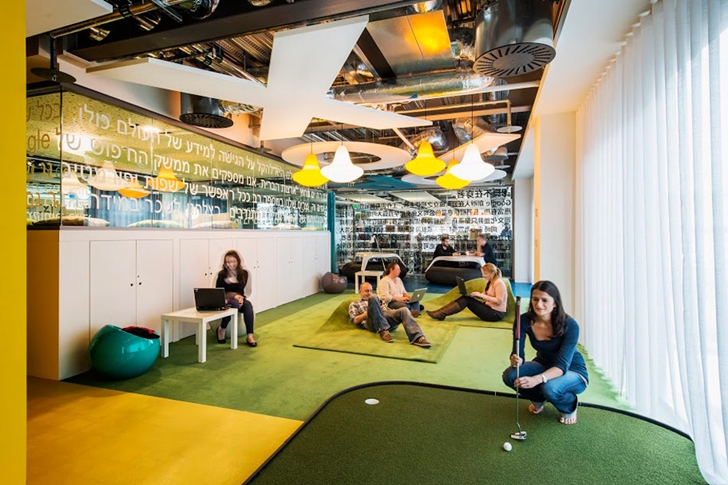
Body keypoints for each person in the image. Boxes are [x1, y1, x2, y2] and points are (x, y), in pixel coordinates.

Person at [501, 280, 588, 425]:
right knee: (510, 375)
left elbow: (561, 366)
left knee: (550, 387)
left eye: (544, 300)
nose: (539, 305)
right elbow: (518, 353)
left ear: (555, 303)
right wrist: (516, 359)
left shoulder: (571, 325)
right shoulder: (523, 320)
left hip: (572, 370)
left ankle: (569, 405)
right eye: (535, 299)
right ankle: (538, 399)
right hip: (543, 363)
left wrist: (537, 379)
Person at [349, 282, 431, 348]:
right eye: (366, 291)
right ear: (360, 291)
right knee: (374, 297)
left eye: (370, 291)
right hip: (371, 323)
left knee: (404, 310)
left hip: (384, 318)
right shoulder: (354, 304)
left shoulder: (377, 300)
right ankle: (383, 330)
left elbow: (386, 310)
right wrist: (370, 311)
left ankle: (417, 337)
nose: (369, 293)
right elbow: (355, 320)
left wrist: (383, 309)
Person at [426, 263, 508, 322]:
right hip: (489, 308)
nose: (483, 276)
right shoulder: (489, 281)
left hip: (496, 314)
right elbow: (485, 295)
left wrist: (480, 295)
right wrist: (476, 295)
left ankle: (441, 314)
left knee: (467, 300)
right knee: (466, 297)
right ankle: (440, 312)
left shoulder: (499, 283)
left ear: (492, 273)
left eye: (485, 274)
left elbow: (498, 301)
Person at [215, 250, 257, 347]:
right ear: (225, 263)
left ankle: (250, 336)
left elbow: (243, 290)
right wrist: (234, 296)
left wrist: (240, 298)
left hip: (240, 299)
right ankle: (222, 329)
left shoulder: (244, 274)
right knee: (234, 304)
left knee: (248, 306)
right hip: (226, 300)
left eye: (233, 261)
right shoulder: (222, 275)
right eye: (228, 262)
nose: (230, 264)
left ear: (237, 261)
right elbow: (219, 293)